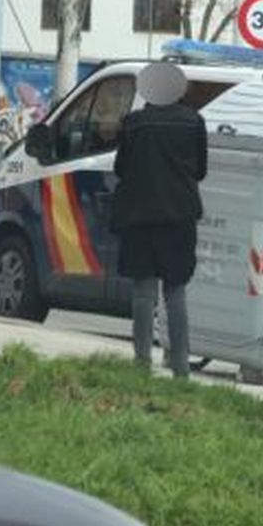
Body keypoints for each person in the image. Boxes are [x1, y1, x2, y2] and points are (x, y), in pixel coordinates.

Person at [113, 62, 206, 379]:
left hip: (139, 216)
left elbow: (120, 168)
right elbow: (200, 170)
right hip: (180, 217)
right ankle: (180, 366)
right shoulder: (194, 123)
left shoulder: (134, 124)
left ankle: (141, 363)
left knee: (143, 291)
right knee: (175, 291)